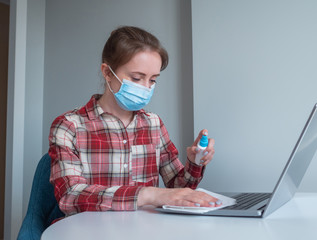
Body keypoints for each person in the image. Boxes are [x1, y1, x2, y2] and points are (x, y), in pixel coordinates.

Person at [49, 26, 220, 217]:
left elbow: (178, 188)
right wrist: (148, 194)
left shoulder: (153, 124)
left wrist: (195, 161)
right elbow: (69, 196)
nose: (146, 88)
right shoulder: (69, 126)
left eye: (153, 80)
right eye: (137, 78)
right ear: (107, 72)